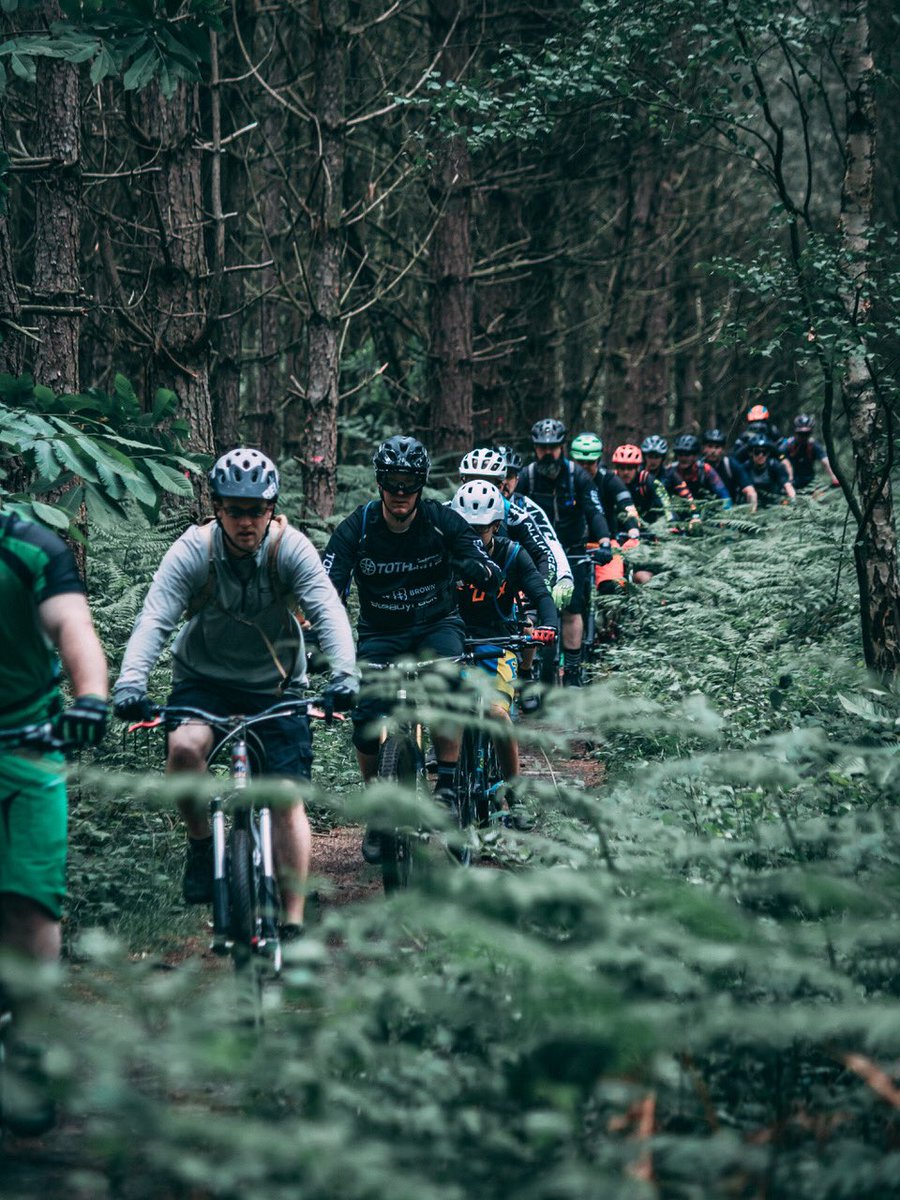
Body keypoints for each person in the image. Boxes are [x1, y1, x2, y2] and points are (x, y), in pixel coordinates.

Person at [113, 448, 357, 936]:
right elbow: (155, 617)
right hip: (203, 681)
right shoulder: (194, 550)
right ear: (217, 508)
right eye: (235, 510)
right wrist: (130, 684)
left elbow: (328, 611)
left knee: (285, 796)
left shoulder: (290, 549)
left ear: (271, 508)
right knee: (184, 749)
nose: (246, 522)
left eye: (257, 510)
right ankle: (202, 844)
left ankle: (292, 920)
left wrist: (345, 678)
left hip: (277, 686)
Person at [322, 436, 501, 861]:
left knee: (446, 685)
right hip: (381, 633)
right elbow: (326, 589)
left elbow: (484, 561)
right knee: (366, 721)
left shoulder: (442, 520)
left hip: (437, 625)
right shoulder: (357, 528)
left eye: (409, 483)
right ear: (380, 483)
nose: (400, 492)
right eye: (392, 482)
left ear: (421, 485)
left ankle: (448, 786)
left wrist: (480, 569)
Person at [0, 509, 108, 1134]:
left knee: (33, 903)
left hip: (27, 744)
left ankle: (28, 1047)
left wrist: (90, 696)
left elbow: (72, 623)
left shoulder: (31, 548)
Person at [450, 481, 557, 825]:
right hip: (451, 642)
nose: (473, 535)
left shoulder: (512, 555)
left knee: (496, 714)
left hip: (498, 643)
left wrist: (548, 624)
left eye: (480, 529)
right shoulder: (443, 554)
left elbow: (540, 594)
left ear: (496, 526)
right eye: (466, 528)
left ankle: (514, 795)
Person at [465, 446, 571, 702]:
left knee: (524, 622)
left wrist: (544, 587)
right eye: (473, 480)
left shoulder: (518, 515)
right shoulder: (450, 511)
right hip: (465, 598)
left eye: (488, 481)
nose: (480, 486)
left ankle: (524, 672)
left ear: (501, 483)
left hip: (511, 583)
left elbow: (546, 552)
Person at [516, 418, 613, 687]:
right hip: (536, 555)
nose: (548, 452)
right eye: (542, 447)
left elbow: (594, 510)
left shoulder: (577, 476)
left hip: (572, 552)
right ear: (535, 448)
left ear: (562, 447)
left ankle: (571, 670)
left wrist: (605, 541)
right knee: (529, 609)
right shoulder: (526, 476)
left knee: (572, 609)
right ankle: (526, 668)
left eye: (553, 447)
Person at [570, 432, 641, 542]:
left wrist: (633, 530)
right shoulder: (565, 480)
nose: (585, 466)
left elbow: (627, 506)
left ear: (598, 460)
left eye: (590, 462)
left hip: (607, 542)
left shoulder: (609, 479)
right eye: (580, 462)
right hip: (571, 542)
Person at [667, 434, 733, 512]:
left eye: (687, 454)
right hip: (678, 511)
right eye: (680, 454)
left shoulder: (705, 469)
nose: (683, 458)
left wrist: (726, 513)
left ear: (695, 455)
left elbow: (723, 494)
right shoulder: (670, 470)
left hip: (704, 511)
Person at [700, 429, 757, 511]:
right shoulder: (698, 466)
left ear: (723, 449)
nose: (713, 451)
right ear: (703, 448)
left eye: (717, 447)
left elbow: (750, 491)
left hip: (729, 512)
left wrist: (752, 511)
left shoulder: (730, 464)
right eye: (710, 446)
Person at [780, 414, 840, 489]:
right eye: (800, 434)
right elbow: (778, 459)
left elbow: (825, 461)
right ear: (795, 432)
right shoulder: (787, 446)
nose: (803, 437)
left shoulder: (813, 445)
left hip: (810, 483)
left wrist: (834, 477)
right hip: (790, 484)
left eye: (807, 434)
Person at [743, 435, 797, 506]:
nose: (761, 455)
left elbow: (787, 486)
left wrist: (794, 501)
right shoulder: (746, 467)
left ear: (768, 454)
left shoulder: (775, 466)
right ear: (751, 453)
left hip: (773, 505)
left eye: (764, 452)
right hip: (751, 504)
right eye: (757, 452)